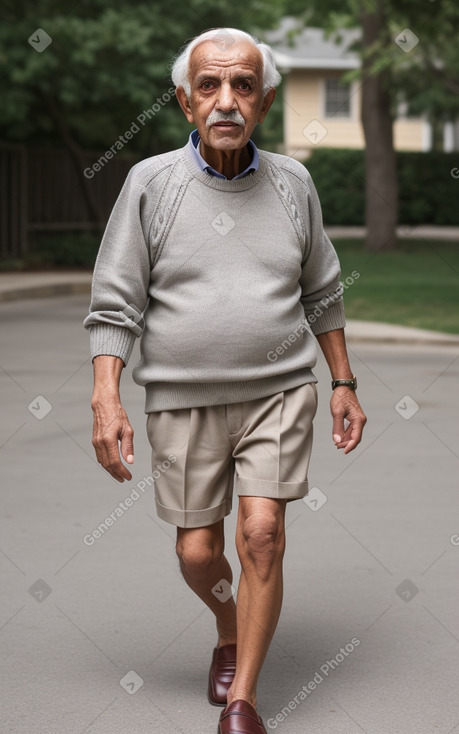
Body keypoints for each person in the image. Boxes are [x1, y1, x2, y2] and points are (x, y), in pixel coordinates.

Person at [84, 27, 367, 734]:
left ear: (264, 102)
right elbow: (115, 302)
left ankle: (242, 699)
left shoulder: (293, 183)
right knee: (197, 550)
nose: (226, 100)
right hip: (181, 399)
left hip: (278, 391)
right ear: (184, 100)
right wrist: (106, 395)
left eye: (242, 85)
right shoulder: (150, 183)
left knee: (262, 534)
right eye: (209, 86)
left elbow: (322, 291)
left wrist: (341, 381)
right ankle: (226, 623)